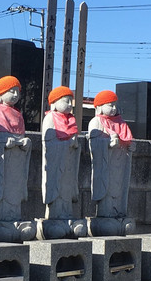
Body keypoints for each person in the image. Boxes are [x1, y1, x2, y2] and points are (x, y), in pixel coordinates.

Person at [0, 75, 32, 221]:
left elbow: (22, 136)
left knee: (15, 189)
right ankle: (3, 219)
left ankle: (15, 218)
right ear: (0, 94)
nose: (16, 95)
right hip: (3, 161)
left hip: (17, 162)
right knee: (4, 191)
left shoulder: (18, 115)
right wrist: (3, 143)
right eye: (11, 91)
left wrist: (26, 143)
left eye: (17, 91)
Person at [87, 89, 134, 220]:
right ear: (99, 107)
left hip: (119, 165)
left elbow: (126, 140)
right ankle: (105, 212)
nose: (114, 108)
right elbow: (94, 144)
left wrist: (130, 146)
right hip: (106, 165)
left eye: (115, 105)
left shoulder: (121, 123)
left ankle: (118, 212)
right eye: (110, 105)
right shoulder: (96, 122)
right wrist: (107, 143)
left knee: (118, 189)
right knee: (107, 190)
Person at [42, 85, 80, 220]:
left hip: (68, 165)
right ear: (54, 103)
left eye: (71, 101)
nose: (70, 105)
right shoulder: (50, 119)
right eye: (66, 101)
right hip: (56, 165)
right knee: (58, 192)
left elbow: (74, 144)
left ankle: (67, 214)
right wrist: (66, 144)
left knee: (67, 190)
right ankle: (55, 216)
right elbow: (49, 145)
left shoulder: (71, 120)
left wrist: (75, 145)